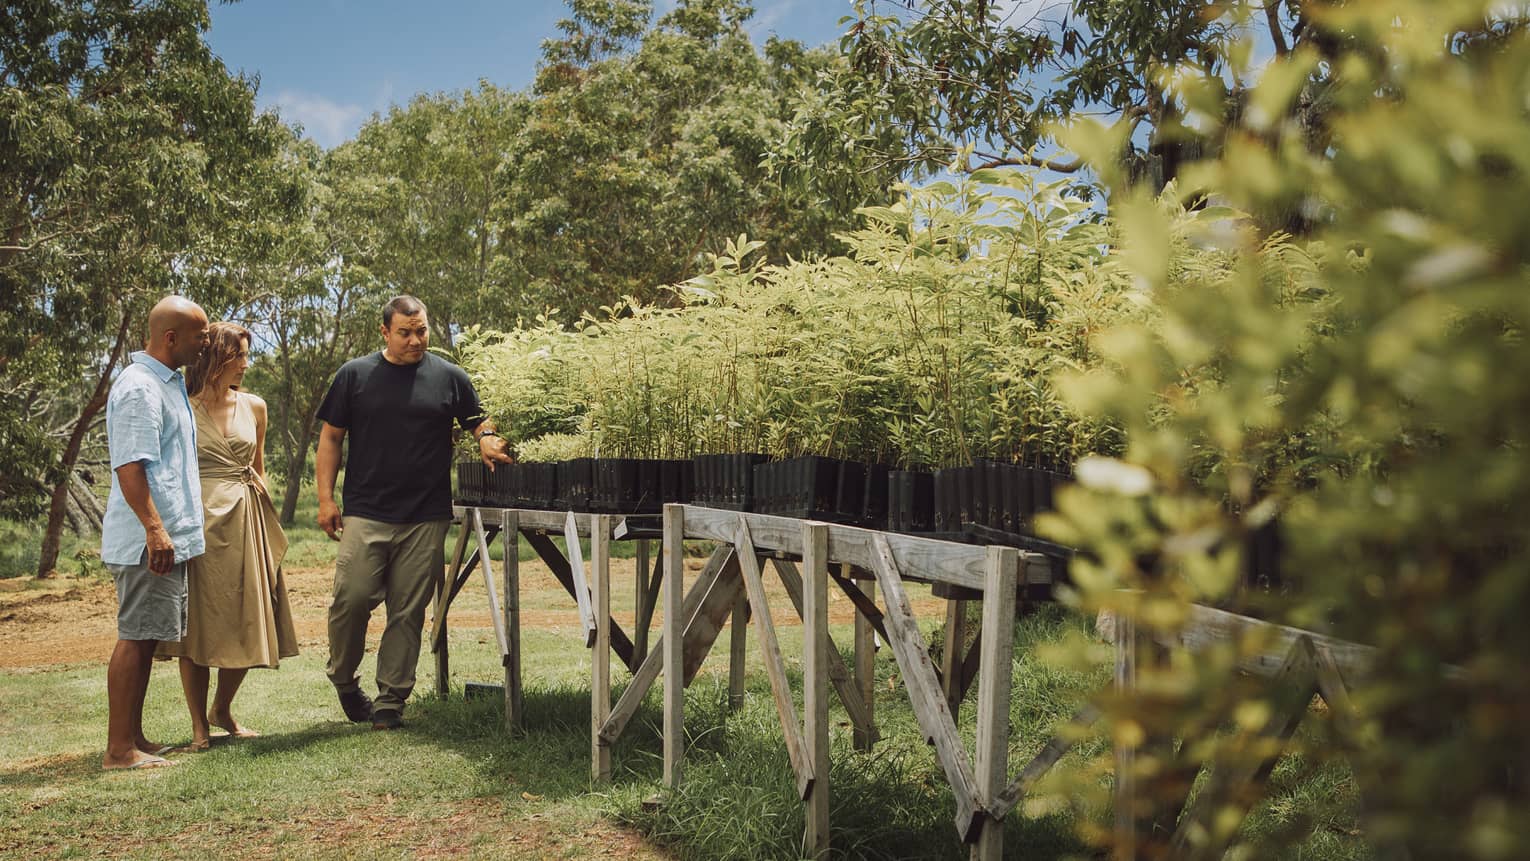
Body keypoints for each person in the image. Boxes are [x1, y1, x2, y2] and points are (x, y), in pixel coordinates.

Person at [316, 295, 513, 730]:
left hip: (426, 513)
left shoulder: (449, 378)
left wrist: (487, 438)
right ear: (384, 332)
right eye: (404, 332)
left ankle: (391, 701)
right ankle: (346, 681)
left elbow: (479, 420)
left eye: (421, 330)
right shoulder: (355, 375)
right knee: (351, 599)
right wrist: (326, 499)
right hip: (366, 511)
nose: (414, 340)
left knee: (408, 609)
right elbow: (331, 438)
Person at [158, 322, 298, 750]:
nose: (245, 364)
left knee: (248, 616)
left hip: (245, 517)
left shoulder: (254, 406)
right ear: (215, 357)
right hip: (198, 520)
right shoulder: (182, 404)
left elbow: (257, 466)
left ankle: (223, 708)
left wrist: (267, 522)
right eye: (238, 355)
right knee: (196, 626)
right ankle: (199, 725)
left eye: (246, 355)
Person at [100, 296, 211, 769]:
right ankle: (118, 750)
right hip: (147, 541)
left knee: (145, 637)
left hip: (165, 537)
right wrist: (155, 530)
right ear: (171, 338)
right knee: (134, 636)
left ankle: (134, 737)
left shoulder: (169, 384)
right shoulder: (139, 388)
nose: (206, 342)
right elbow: (130, 467)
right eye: (200, 335)